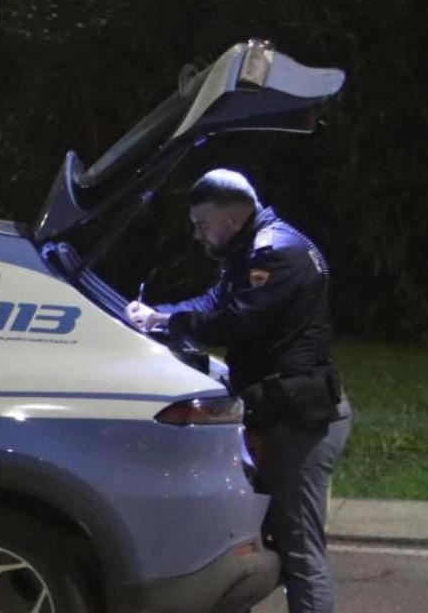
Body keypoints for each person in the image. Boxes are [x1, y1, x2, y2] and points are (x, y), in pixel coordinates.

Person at [126, 169, 350, 613]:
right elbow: (213, 303)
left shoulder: (275, 254)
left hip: (299, 420)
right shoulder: (251, 250)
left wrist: (166, 322)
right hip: (284, 411)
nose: (197, 234)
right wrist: (156, 316)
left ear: (233, 216)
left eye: (202, 224)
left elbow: (236, 320)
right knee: (259, 541)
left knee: (300, 549)